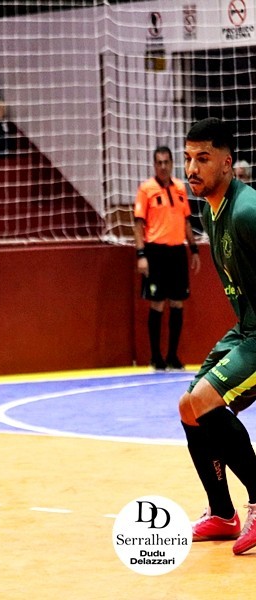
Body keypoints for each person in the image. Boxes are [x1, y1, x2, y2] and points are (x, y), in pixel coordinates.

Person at [179, 117, 256, 555]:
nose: (192, 168)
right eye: (188, 158)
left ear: (227, 163)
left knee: (206, 400)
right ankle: (223, 514)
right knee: (189, 407)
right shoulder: (211, 208)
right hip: (246, 329)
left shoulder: (246, 212)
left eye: (203, 158)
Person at [133, 145, 201, 370]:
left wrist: (194, 249)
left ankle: (172, 355)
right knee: (157, 303)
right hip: (155, 252)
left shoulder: (180, 187)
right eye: (159, 162)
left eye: (166, 162)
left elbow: (187, 221)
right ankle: (156, 357)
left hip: (177, 252)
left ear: (172, 164)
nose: (163, 166)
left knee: (177, 302)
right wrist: (141, 254)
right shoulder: (146, 189)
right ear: (154, 165)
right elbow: (138, 224)